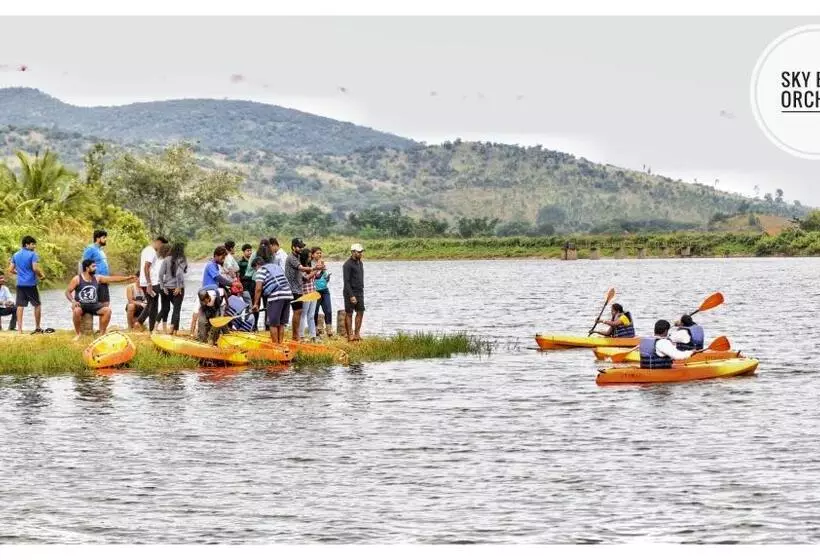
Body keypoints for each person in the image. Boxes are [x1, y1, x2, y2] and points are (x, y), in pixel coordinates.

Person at [65, 259, 135, 341]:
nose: (96, 268)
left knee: (107, 310)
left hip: (94, 305)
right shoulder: (77, 279)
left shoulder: (97, 278)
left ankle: (102, 334)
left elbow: (112, 279)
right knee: (76, 311)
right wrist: (73, 301)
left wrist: (127, 278)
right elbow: (67, 292)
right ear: (87, 268)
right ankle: (78, 334)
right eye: (93, 266)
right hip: (81, 305)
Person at [251, 256, 293, 344]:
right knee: (281, 323)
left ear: (257, 265)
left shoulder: (261, 270)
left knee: (272, 323)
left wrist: (255, 304)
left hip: (276, 295)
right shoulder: (275, 267)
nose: (255, 272)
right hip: (288, 294)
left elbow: (258, 288)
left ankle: (275, 347)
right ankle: (280, 345)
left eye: (255, 269)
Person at [9, 235, 46, 334]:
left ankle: (20, 330)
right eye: (33, 244)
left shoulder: (15, 255)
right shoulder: (33, 254)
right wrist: (41, 275)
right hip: (31, 284)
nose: (34, 246)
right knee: (37, 305)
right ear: (27, 245)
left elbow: (10, 270)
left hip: (20, 284)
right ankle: (37, 327)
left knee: (20, 306)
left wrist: (19, 273)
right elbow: (35, 268)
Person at [284, 238, 319, 342]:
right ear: (293, 247)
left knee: (299, 312)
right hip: (292, 289)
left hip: (299, 289)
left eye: (302, 246)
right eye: (299, 247)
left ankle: (297, 335)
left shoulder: (298, 256)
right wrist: (315, 268)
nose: (301, 249)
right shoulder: (291, 258)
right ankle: (296, 336)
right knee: (298, 311)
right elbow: (301, 268)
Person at [137, 236, 169, 332]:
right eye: (162, 245)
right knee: (153, 306)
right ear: (158, 242)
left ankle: (140, 322)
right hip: (151, 282)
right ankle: (150, 329)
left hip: (148, 282)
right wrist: (149, 283)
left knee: (151, 304)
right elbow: (146, 267)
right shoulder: (151, 251)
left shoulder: (147, 250)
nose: (161, 248)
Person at [159, 242, 188, 336]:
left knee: (172, 308)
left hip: (167, 288)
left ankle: (175, 331)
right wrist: (179, 286)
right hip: (177, 289)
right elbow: (179, 273)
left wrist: (163, 286)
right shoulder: (182, 259)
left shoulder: (166, 259)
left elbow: (160, 274)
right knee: (177, 309)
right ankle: (172, 329)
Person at [81, 229, 111, 307]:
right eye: (104, 237)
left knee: (105, 305)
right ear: (97, 238)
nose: (105, 239)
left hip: (104, 281)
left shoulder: (100, 250)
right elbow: (84, 264)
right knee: (91, 305)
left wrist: (107, 279)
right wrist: (84, 281)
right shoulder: (90, 248)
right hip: (95, 281)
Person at [342, 243, 366, 342]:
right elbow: (346, 281)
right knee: (349, 313)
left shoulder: (360, 263)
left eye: (361, 252)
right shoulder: (347, 265)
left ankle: (357, 334)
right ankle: (349, 335)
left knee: (360, 312)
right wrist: (351, 295)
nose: (360, 253)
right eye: (358, 252)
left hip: (360, 291)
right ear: (353, 252)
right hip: (350, 292)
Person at [311, 246, 333, 338]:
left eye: (320, 253)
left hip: (324, 290)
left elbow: (324, 277)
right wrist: (318, 269)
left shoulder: (323, 263)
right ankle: (315, 330)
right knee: (315, 311)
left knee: (328, 310)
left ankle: (329, 331)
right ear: (312, 255)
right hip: (315, 291)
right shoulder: (310, 264)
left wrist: (327, 277)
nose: (319, 254)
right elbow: (314, 276)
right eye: (317, 253)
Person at [298, 249, 320, 342]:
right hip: (305, 293)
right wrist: (316, 270)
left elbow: (316, 277)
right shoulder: (301, 267)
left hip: (312, 291)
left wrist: (320, 270)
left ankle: (313, 336)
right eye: (309, 256)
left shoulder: (310, 265)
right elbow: (305, 279)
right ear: (305, 257)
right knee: (303, 315)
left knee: (311, 315)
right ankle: (301, 336)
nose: (310, 257)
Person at [154, 243, 172, 333]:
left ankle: (164, 328)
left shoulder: (161, 260)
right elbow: (162, 275)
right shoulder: (164, 261)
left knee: (166, 307)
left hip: (161, 285)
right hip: (163, 286)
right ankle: (155, 327)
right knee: (165, 308)